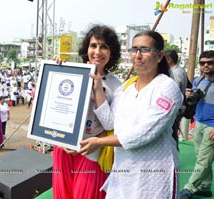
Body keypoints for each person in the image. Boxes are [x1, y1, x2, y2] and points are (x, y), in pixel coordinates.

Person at [79, 31, 183, 199]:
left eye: (145, 49)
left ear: (159, 55)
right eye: (134, 49)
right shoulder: (126, 87)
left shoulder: (167, 88)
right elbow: (109, 123)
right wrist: (98, 86)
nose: (138, 55)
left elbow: (144, 133)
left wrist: (100, 142)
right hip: (123, 170)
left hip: (154, 172)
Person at [53, 25, 122, 199]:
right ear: (87, 49)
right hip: (65, 147)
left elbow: (110, 124)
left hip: (91, 150)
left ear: (111, 52)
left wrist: (98, 89)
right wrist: (56, 72)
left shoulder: (116, 86)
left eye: (104, 46)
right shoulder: (72, 71)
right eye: (93, 45)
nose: (98, 51)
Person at [180, 50, 214, 199]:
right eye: (202, 63)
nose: (206, 65)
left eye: (210, 62)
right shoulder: (197, 80)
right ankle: (205, 187)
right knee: (201, 157)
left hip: (211, 126)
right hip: (199, 122)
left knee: (203, 160)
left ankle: (189, 188)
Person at [165, 50, 190, 141]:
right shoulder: (180, 70)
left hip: (175, 107)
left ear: (169, 60)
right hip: (179, 106)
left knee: (171, 134)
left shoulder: (174, 72)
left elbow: (173, 90)